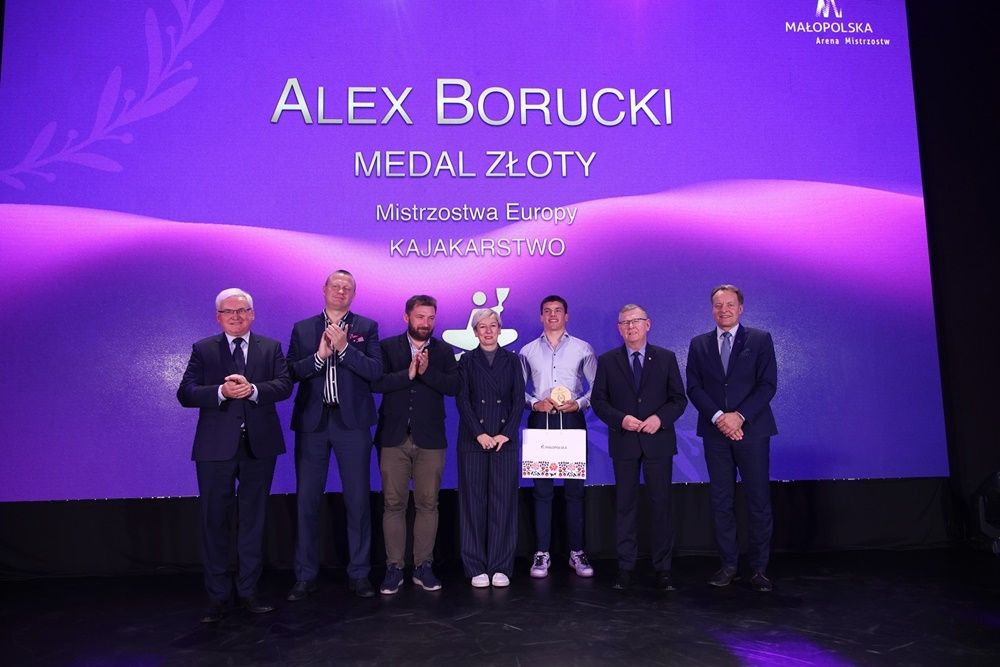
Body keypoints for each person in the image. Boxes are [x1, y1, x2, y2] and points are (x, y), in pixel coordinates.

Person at [177, 288, 292, 623]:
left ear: (252, 314)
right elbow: (185, 393)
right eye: (229, 312)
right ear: (219, 317)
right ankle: (217, 597)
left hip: (260, 447)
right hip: (215, 448)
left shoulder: (270, 347)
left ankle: (249, 592)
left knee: (253, 521)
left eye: (242, 310)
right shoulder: (203, 349)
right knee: (214, 521)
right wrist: (221, 391)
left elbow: (284, 385)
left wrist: (253, 390)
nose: (237, 316)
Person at [286, 270, 383, 599]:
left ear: (353, 294)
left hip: (352, 425)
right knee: (307, 501)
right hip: (312, 424)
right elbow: (291, 372)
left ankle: (359, 573)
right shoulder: (303, 328)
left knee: (357, 500)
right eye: (336, 286)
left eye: (347, 288)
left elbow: (375, 371)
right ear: (324, 289)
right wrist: (319, 357)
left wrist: (344, 349)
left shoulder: (366, 327)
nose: (341, 291)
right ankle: (305, 575)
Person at [686, 284, 777, 592]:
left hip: (753, 431)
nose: (723, 310)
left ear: (740, 308)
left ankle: (759, 568)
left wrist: (739, 416)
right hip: (715, 433)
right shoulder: (699, 344)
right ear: (712, 309)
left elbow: (767, 385)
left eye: (729, 304)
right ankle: (728, 565)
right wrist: (719, 418)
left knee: (758, 499)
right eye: (718, 305)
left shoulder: (760, 339)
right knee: (721, 500)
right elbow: (694, 388)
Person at [591, 304, 687, 591]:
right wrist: (621, 419)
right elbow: (599, 402)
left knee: (661, 506)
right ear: (619, 329)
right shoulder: (607, 361)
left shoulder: (666, 358)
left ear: (648, 324)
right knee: (625, 506)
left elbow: (678, 399)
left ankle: (663, 569)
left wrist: (660, 419)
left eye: (636, 321)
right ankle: (625, 567)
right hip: (625, 442)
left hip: (658, 441)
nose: (631, 326)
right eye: (625, 323)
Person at [371, 295, 459, 594]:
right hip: (393, 437)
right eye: (420, 317)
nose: (426, 323)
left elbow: (454, 387)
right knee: (393, 504)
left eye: (431, 318)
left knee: (428, 504)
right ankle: (394, 567)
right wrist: (407, 374)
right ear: (406, 317)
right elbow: (376, 383)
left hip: (431, 439)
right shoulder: (387, 347)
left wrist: (426, 372)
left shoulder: (443, 350)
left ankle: (423, 566)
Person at [519, 295, 598, 578]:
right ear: (541, 316)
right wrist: (534, 403)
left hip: (572, 420)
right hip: (541, 422)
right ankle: (542, 553)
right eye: (547, 311)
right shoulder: (527, 351)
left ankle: (577, 551)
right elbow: (518, 390)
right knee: (542, 491)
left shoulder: (582, 348)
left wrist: (579, 403)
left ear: (567, 316)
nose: (552, 315)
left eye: (558, 310)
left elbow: (597, 387)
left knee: (575, 491)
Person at [456, 308, 525, 588]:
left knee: (503, 503)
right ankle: (475, 566)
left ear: (500, 329)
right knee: (473, 504)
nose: (487, 331)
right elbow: (463, 400)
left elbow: (519, 400)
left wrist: (505, 434)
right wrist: (480, 433)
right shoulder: (466, 361)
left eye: (492, 325)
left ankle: (500, 566)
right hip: (473, 440)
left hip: (504, 442)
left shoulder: (513, 360)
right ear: (474, 332)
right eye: (482, 327)